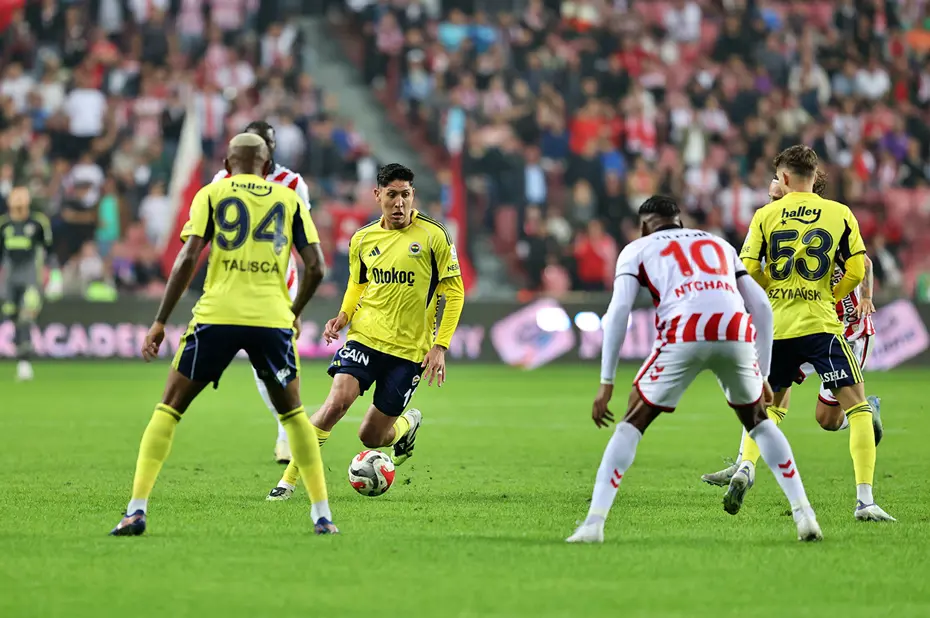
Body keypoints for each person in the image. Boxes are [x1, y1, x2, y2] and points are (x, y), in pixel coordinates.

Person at [110, 133, 337, 536]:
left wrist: (161, 319)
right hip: (271, 318)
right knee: (295, 416)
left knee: (169, 407)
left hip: (217, 314)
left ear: (229, 163)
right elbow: (317, 267)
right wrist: (292, 311)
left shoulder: (212, 193)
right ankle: (322, 516)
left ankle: (136, 510)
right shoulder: (288, 200)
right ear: (268, 167)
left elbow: (187, 258)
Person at [566, 195, 821, 544]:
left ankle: (594, 524)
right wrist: (763, 373)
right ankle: (805, 515)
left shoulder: (636, 249)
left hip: (685, 330)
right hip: (734, 330)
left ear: (644, 226)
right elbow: (761, 304)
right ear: (680, 221)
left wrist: (606, 381)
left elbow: (619, 311)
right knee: (759, 423)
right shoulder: (718, 243)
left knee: (631, 424)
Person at [266, 163, 465, 501]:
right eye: (392, 195)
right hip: (365, 337)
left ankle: (405, 425)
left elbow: (455, 291)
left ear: (412, 195)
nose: (399, 203)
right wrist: (344, 315)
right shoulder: (362, 238)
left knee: (372, 436)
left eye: (405, 195)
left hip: (409, 351)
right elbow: (358, 284)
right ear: (378, 196)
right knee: (336, 403)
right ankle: (288, 482)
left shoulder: (434, 236)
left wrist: (440, 346)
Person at [729, 145, 894, 522]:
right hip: (821, 323)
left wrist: (775, 291)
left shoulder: (765, 215)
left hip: (779, 326)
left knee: (768, 405)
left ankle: (746, 467)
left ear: (784, 178)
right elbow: (856, 269)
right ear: (814, 174)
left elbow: (747, 270)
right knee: (856, 408)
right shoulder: (839, 213)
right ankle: (865, 502)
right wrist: (825, 294)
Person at [702, 169, 883, 488]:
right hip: (801, 323)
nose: (771, 201)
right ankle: (745, 463)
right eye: (770, 197)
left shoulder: (826, 222)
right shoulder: (773, 228)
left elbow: (863, 264)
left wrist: (864, 298)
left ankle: (868, 416)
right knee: (770, 396)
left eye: (775, 196)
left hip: (845, 330)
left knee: (827, 420)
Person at [210, 120, 311, 465]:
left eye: (268, 143)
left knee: (275, 361)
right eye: (257, 143)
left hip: (277, 286)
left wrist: (295, 306)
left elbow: (304, 244)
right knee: (253, 365)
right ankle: (290, 428)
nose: (263, 149)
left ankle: (288, 433)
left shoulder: (294, 183)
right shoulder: (221, 182)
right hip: (234, 287)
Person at [0, 187, 52, 381]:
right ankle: (21, 351)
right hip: (10, 278)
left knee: (25, 317)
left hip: (31, 276)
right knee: (11, 314)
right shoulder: (4, 225)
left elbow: (49, 251)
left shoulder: (38, 223)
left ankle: (24, 362)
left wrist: (53, 276)